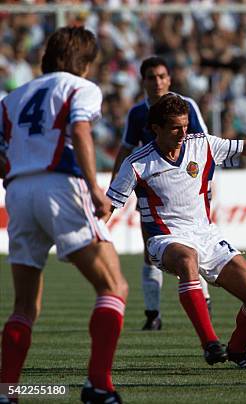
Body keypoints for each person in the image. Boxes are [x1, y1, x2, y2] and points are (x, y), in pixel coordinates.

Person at [107, 93, 246, 369]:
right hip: (165, 239)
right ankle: (209, 343)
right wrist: (90, 236)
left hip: (207, 236)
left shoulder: (202, 145)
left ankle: (238, 350)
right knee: (186, 258)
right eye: (175, 128)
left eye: (185, 125)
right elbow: (109, 205)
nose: (183, 133)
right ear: (155, 129)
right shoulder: (137, 163)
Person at [0, 27, 128, 404]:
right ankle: (98, 385)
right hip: (61, 186)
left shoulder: (12, 98)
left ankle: (7, 391)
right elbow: (81, 131)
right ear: (85, 63)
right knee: (113, 286)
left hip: (19, 192)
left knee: (24, 305)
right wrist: (94, 187)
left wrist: (19, 176)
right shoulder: (79, 87)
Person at [111, 56, 212, 331]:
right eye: (151, 77)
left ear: (169, 79)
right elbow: (125, 148)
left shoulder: (186, 106)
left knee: (195, 247)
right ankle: (152, 313)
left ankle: (204, 300)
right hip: (152, 193)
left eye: (162, 76)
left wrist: (208, 187)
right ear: (143, 81)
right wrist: (115, 183)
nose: (157, 82)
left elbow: (205, 148)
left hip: (188, 190)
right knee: (150, 250)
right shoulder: (136, 113)